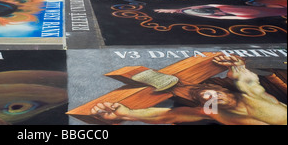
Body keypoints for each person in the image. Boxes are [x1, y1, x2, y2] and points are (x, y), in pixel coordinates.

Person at [90, 55, 287, 125]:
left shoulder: (251, 95)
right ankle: (176, 85)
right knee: (193, 95)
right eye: (210, 97)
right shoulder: (215, 112)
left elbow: (245, 79)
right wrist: (128, 114)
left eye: (214, 95)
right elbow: (170, 115)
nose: (213, 97)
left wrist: (236, 66)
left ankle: (179, 86)